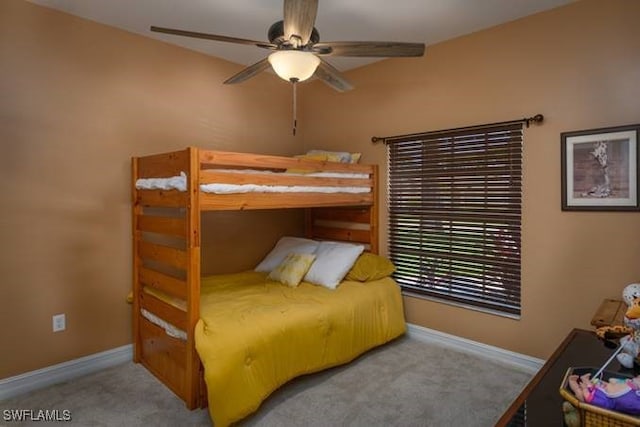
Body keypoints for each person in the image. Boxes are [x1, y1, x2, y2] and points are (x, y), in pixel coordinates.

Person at [568, 372, 640, 415]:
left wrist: (584, 389)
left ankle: (573, 383)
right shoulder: (614, 392)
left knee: (579, 393)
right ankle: (585, 379)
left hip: (589, 397)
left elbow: (588, 398)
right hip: (598, 391)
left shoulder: (604, 402)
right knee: (592, 385)